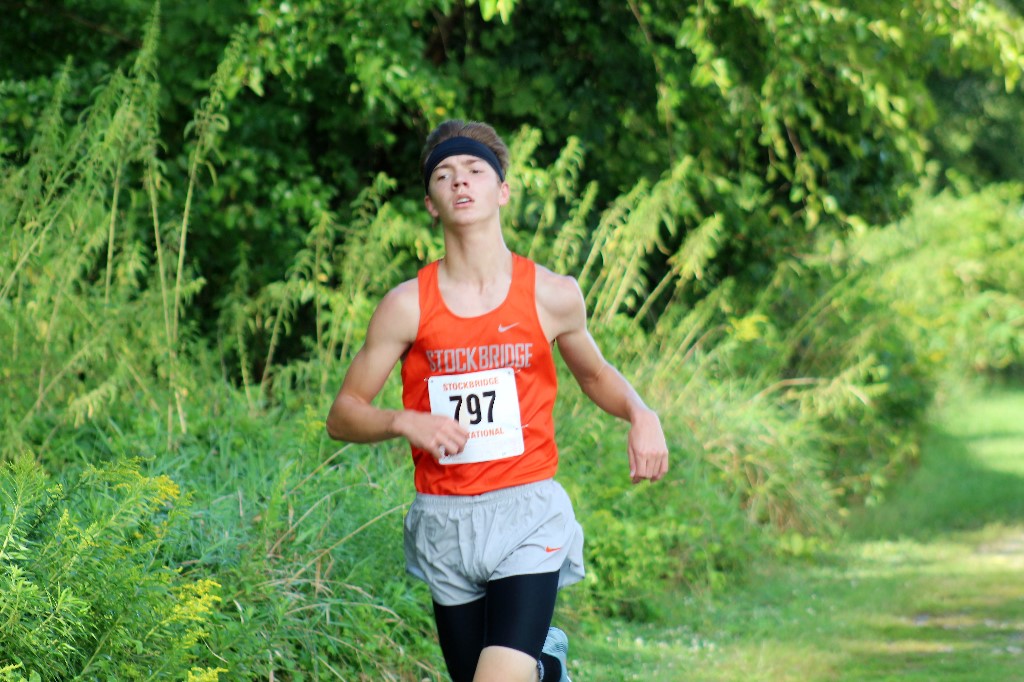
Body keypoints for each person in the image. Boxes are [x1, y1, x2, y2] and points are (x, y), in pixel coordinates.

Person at [325, 119, 669, 682]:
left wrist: (641, 412)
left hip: (527, 512)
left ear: (502, 191)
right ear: (431, 204)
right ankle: (546, 668)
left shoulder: (552, 294)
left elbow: (595, 374)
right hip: (444, 521)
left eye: (474, 170)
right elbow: (343, 415)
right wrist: (402, 420)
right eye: (443, 175)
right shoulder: (406, 306)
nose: (459, 181)